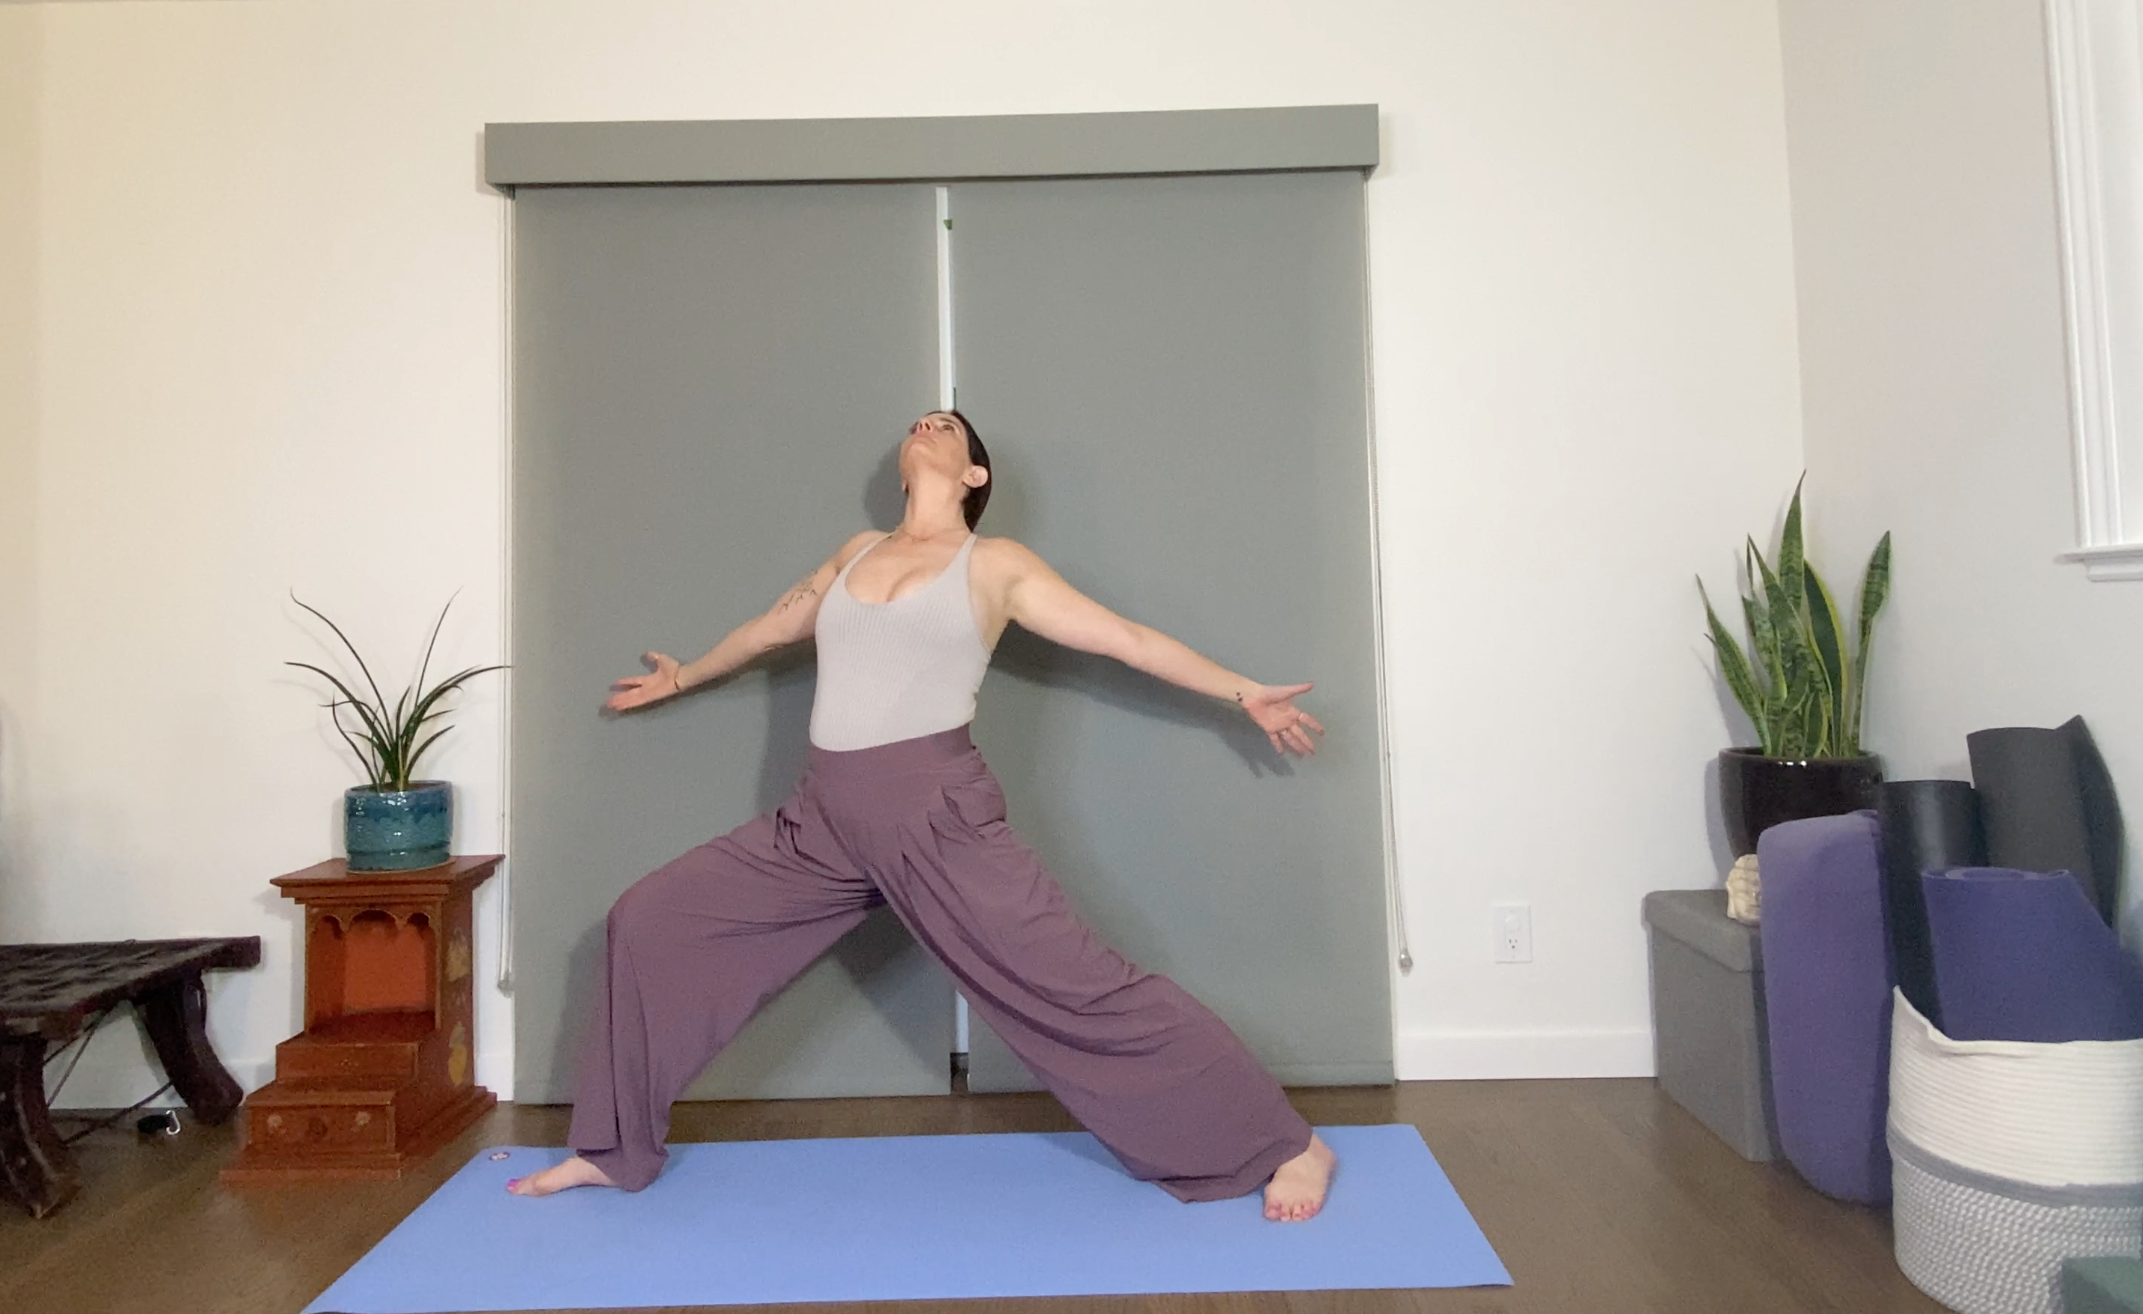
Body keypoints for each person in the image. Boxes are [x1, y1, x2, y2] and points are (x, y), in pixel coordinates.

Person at [509, 410, 1338, 1221]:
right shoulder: (854, 553)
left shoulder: (994, 564)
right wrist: (682, 676)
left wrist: (1243, 692)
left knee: (1082, 989)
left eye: (950, 425)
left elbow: (1124, 638)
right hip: (823, 821)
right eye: (921, 419)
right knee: (649, 922)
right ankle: (613, 1150)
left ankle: (1287, 1143)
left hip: (934, 816)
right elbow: (771, 629)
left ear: (974, 475)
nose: (929, 423)